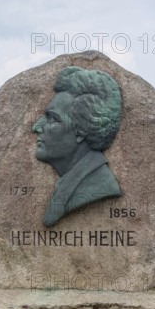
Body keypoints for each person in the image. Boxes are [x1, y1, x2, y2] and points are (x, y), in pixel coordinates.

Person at [32, 66, 122, 226]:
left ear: (82, 130)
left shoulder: (99, 185)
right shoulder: (72, 180)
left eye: (52, 118)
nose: (37, 127)